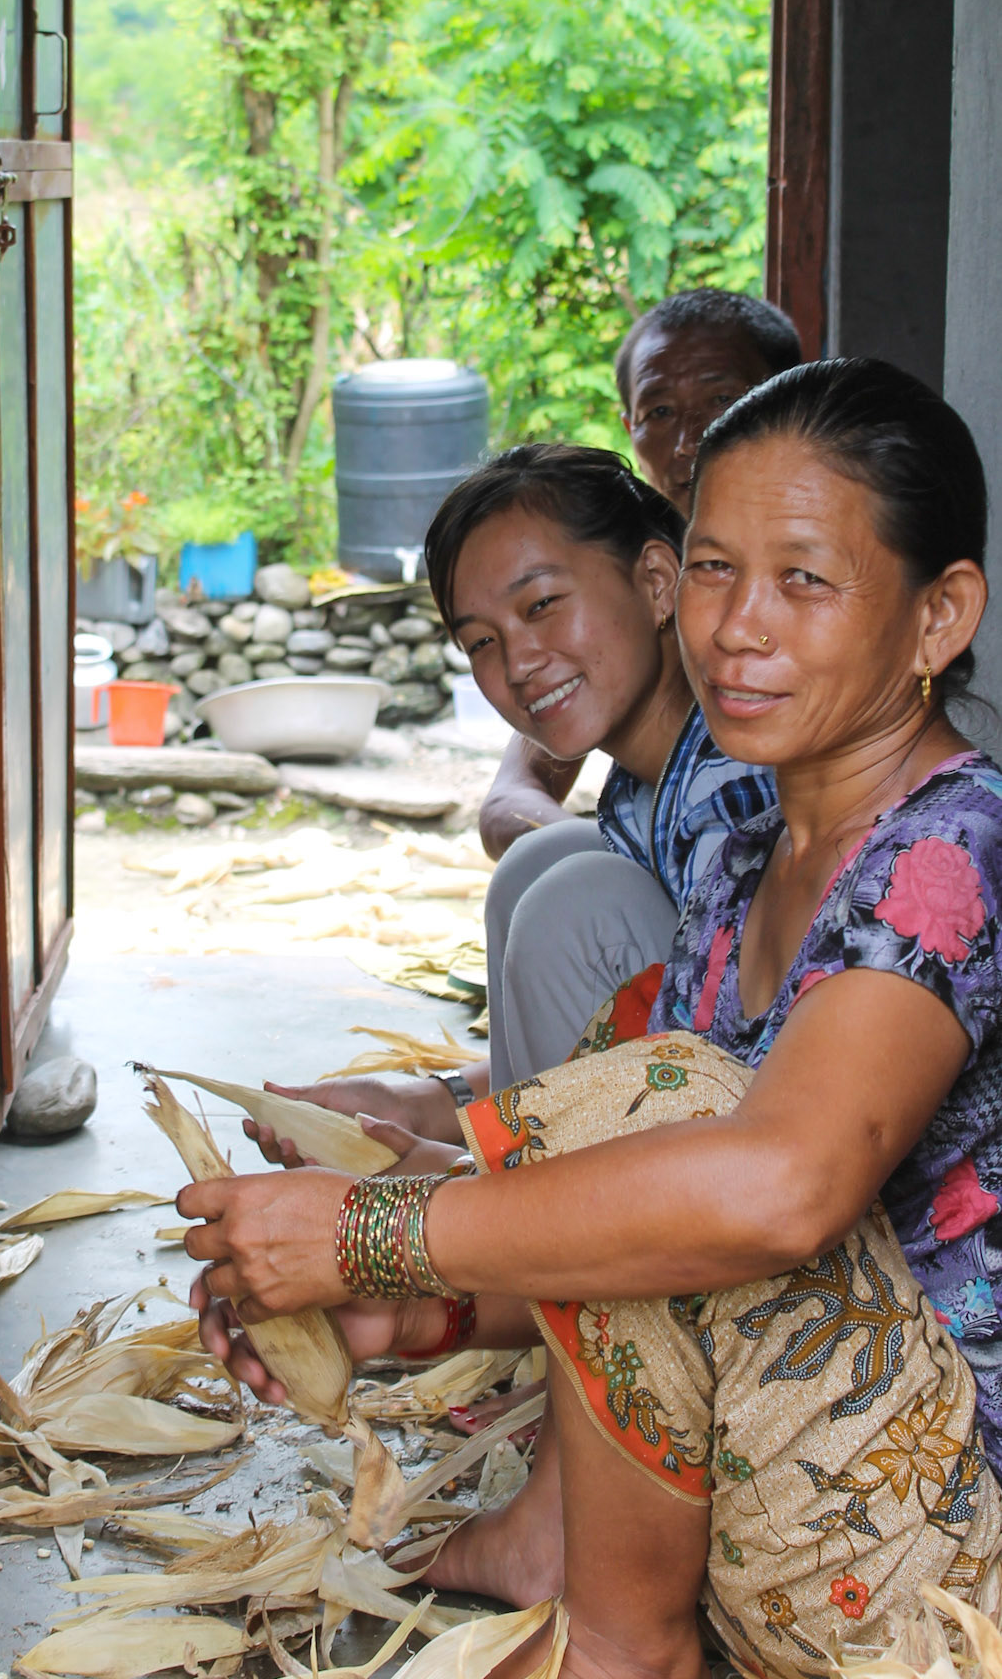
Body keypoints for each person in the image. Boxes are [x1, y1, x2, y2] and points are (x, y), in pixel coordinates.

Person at [185, 358, 1002, 1679]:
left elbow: (782, 1190)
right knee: (626, 1146)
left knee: (660, 1114)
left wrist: (387, 1230)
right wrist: (413, 1309)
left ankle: (619, 1649)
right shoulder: (742, 868)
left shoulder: (952, 850)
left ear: (936, 616)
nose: (738, 627)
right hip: (792, 1516)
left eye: (803, 579)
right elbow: (649, 1263)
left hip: (936, 1556)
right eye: (719, 570)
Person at [251, 444, 776, 1160]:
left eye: (541, 605)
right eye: (481, 642)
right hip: (714, 1127)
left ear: (656, 582)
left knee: (577, 901)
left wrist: (437, 1180)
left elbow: (776, 1079)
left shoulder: (732, 787)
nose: (518, 662)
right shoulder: (643, 787)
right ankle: (516, 1184)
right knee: (546, 857)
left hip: (795, 1195)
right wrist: (436, 1103)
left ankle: (527, 1221)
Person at [480, 288, 801, 859]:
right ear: (629, 427)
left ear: (790, 397)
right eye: (659, 413)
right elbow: (511, 798)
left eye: (723, 399)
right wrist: (607, 872)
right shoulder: (627, 584)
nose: (689, 441)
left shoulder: (824, 574)